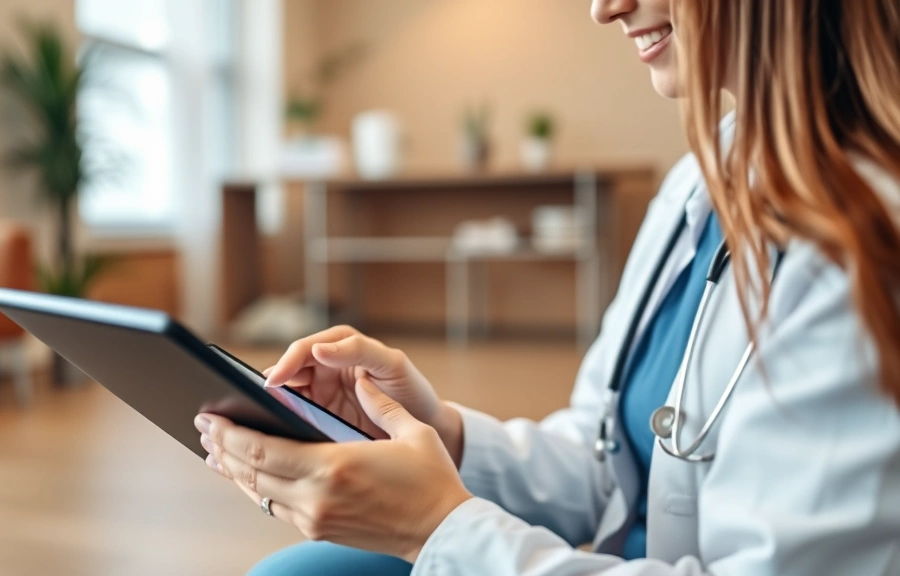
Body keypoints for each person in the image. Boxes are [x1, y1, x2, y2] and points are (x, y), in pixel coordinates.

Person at [194, 0, 900, 573]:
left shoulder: (866, 249)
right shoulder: (700, 182)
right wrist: (443, 435)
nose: (605, 8)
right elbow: (602, 452)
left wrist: (432, 525)